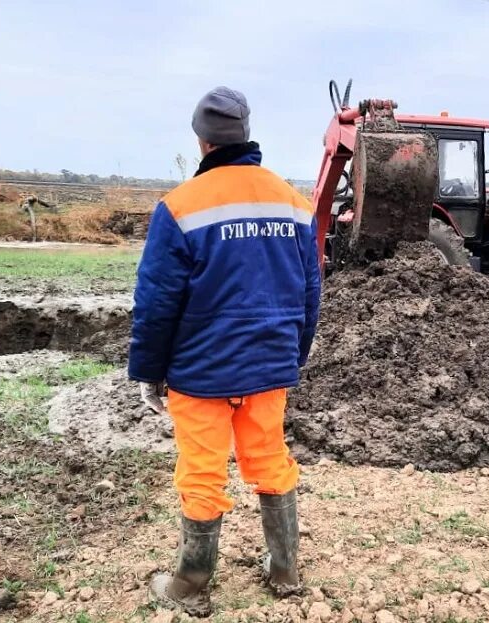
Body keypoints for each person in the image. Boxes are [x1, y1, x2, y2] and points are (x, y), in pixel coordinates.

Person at [128, 86, 321, 617]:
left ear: (202, 140)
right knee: (270, 462)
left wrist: (148, 371)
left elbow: (157, 302)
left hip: (201, 373)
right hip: (269, 366)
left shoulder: (180, 207)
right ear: (244, 135)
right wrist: (293, 356)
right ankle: (284, 570)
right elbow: (310, 294)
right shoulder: (293, 202)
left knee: (202, 471)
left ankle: (190, 583)